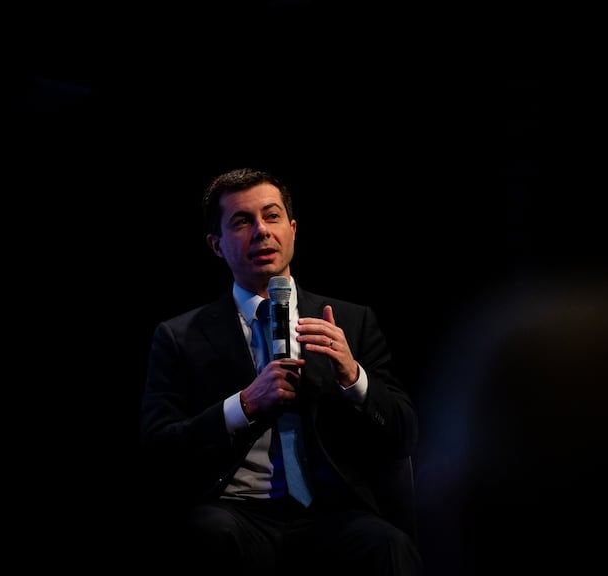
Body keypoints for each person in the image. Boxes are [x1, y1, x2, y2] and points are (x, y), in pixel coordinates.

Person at [139, 167, 422, 575]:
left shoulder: (351, 321)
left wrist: (353, 377)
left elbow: (405, 435)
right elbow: (159, 448)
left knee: (387, 546)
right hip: (235, 513)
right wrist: (246, 404)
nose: (261, 231)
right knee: (206, 535)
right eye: (242, 221)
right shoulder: (179, 336)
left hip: (332, 512)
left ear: (291, 229)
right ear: (216, 245)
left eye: (271, 217)